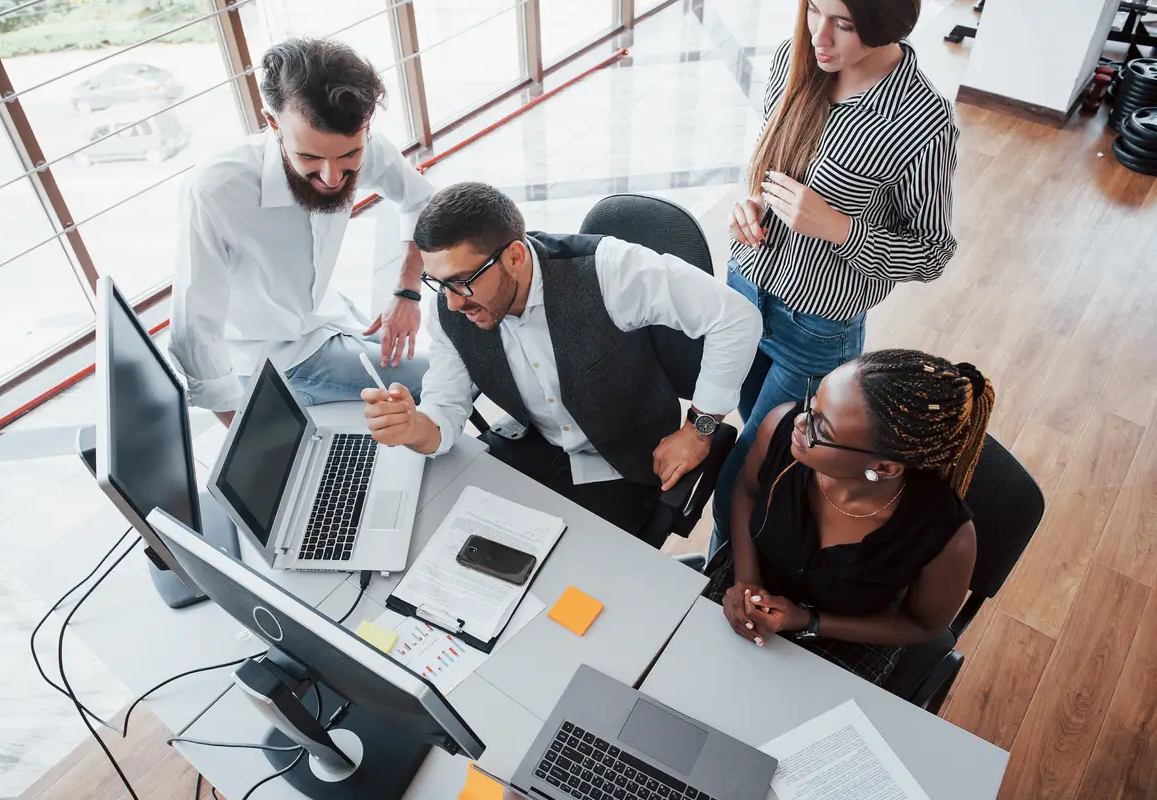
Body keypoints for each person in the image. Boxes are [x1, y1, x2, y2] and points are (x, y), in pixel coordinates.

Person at [361, 182, 761, 539]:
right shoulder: (450, 307)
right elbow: (445, 409)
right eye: (439, 283)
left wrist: (699, 429)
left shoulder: (609, 271)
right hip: (531, 445)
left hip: (624, 462)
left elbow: (737, 318)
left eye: (463, 281)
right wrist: (415, 428)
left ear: (515, 256)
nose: (451, 301)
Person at [713, 0, 960, 551]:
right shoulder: (795, 61)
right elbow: (770, 167)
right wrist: (749, 204)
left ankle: (718, 596)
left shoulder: (922, 122)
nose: (819, 36)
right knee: (764, 448)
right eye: (814, 10)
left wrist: (841, 229)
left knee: (738, 483)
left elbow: (932, 252)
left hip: (814, 329)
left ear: (885, 24)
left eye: (843, 25)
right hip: (745, 292)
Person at [170, 38, 434, 426]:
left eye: (349, 158)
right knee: (440, 379)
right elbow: (194, 331)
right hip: (274, 358)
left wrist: (407, 292)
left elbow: (421, 202)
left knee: (452, 362)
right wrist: (247, 433)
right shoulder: (216, 191)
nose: (331, 178)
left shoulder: (364, 144)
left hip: (328, 316)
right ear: (273, 123)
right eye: (310, 157)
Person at [706, 350, 993, 685]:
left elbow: (923, 624)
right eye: (814, 400)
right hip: (754, 575)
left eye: (821, 428)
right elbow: (747, 491)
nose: (801, 421)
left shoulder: (947, 536)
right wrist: (746, 583)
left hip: (849, 632)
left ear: (884, 468)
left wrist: (806, 620)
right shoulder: (782, 428)